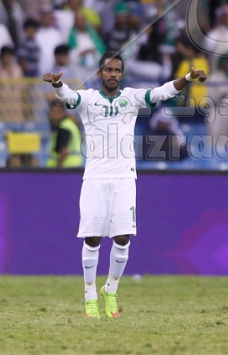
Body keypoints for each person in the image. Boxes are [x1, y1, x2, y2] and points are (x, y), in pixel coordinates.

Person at [43, 52, 207, 318]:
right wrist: (57, 84)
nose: (113, 74)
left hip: (124, 176)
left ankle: (111, 290)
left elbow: (162, 92)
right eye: (108, 70)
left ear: (122, 74)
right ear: (99, 73)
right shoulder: (89, 99)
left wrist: (188, 77)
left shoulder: (131, 98)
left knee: (122, 237)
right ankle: (89, 294)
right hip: (95, 177)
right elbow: (68, 97)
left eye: (117, 70)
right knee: (92, 237)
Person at [47, 101, 83, 168]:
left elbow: (64, 152)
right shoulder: (70, 124)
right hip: (75, 167)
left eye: (58, 112)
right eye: (52, 112)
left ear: (64, 112)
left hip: (65, 169)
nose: (54, 115)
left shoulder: (63, 128)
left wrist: (56, 167)